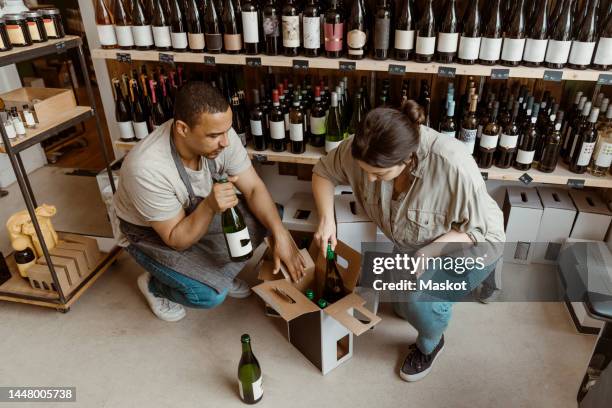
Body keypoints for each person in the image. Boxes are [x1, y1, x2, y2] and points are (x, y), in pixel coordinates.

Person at [312, 100, 505, 382]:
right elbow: (323, 172)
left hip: (472, 239)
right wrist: (326, 219)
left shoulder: (454, 164)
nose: (368, 179)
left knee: (418, 301)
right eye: (364, 170)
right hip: (416, 240)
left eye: (378, 174)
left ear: (408, 159)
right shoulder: (363, 147)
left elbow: (475, 229)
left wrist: (431, 251)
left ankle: (431, 344)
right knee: (400, 305)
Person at [114, 82, 305, 322]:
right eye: (214, 136)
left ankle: (216, 274)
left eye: (227, 131)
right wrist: (209, 206)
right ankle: (155, 285)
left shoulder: (221, 132)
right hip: (151, 233)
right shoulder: (147, 168)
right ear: (182, 129)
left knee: (269, 217)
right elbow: (176, 239)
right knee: (207, 296)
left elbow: (255, 188)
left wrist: (282, 235)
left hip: (198, 210)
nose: (225, 142)